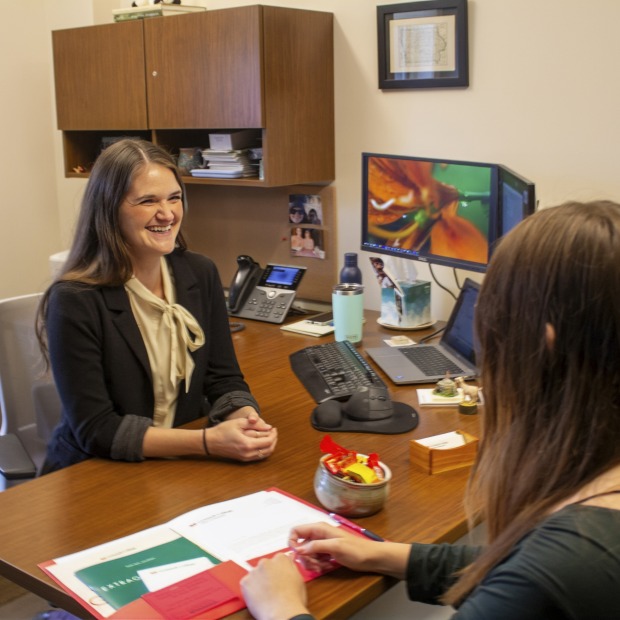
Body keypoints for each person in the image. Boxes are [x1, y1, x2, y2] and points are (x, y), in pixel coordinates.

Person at [240, 201, 620, 619]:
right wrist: (381, 554)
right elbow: (511, 572)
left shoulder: (567, 562)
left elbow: (534, 581)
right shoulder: (589, 529)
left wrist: (281, 608)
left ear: (540, 345)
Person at [36, 139, 278, 473]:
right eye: (148, 201)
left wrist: (247, 420)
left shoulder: (199, 272)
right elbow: (96, 429)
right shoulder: (75, 299)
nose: (167, 214)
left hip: (174, 466)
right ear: (109, 209)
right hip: (95, 471)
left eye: (174, 198)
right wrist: (208, 442)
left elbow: (223, 379)